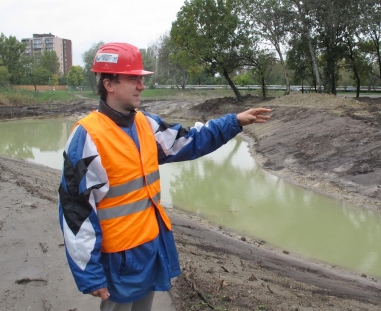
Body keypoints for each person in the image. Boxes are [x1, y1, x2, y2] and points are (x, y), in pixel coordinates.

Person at [58, 42, 271, 311]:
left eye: (141, 79)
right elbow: (75, 212)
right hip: (118, 260)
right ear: (109, 84)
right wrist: (89, 274)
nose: (141, 86)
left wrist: (235, 122)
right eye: (133, 79)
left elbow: (190, 141)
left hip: (150, 249)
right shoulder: (88, 137)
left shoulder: (145, 124)